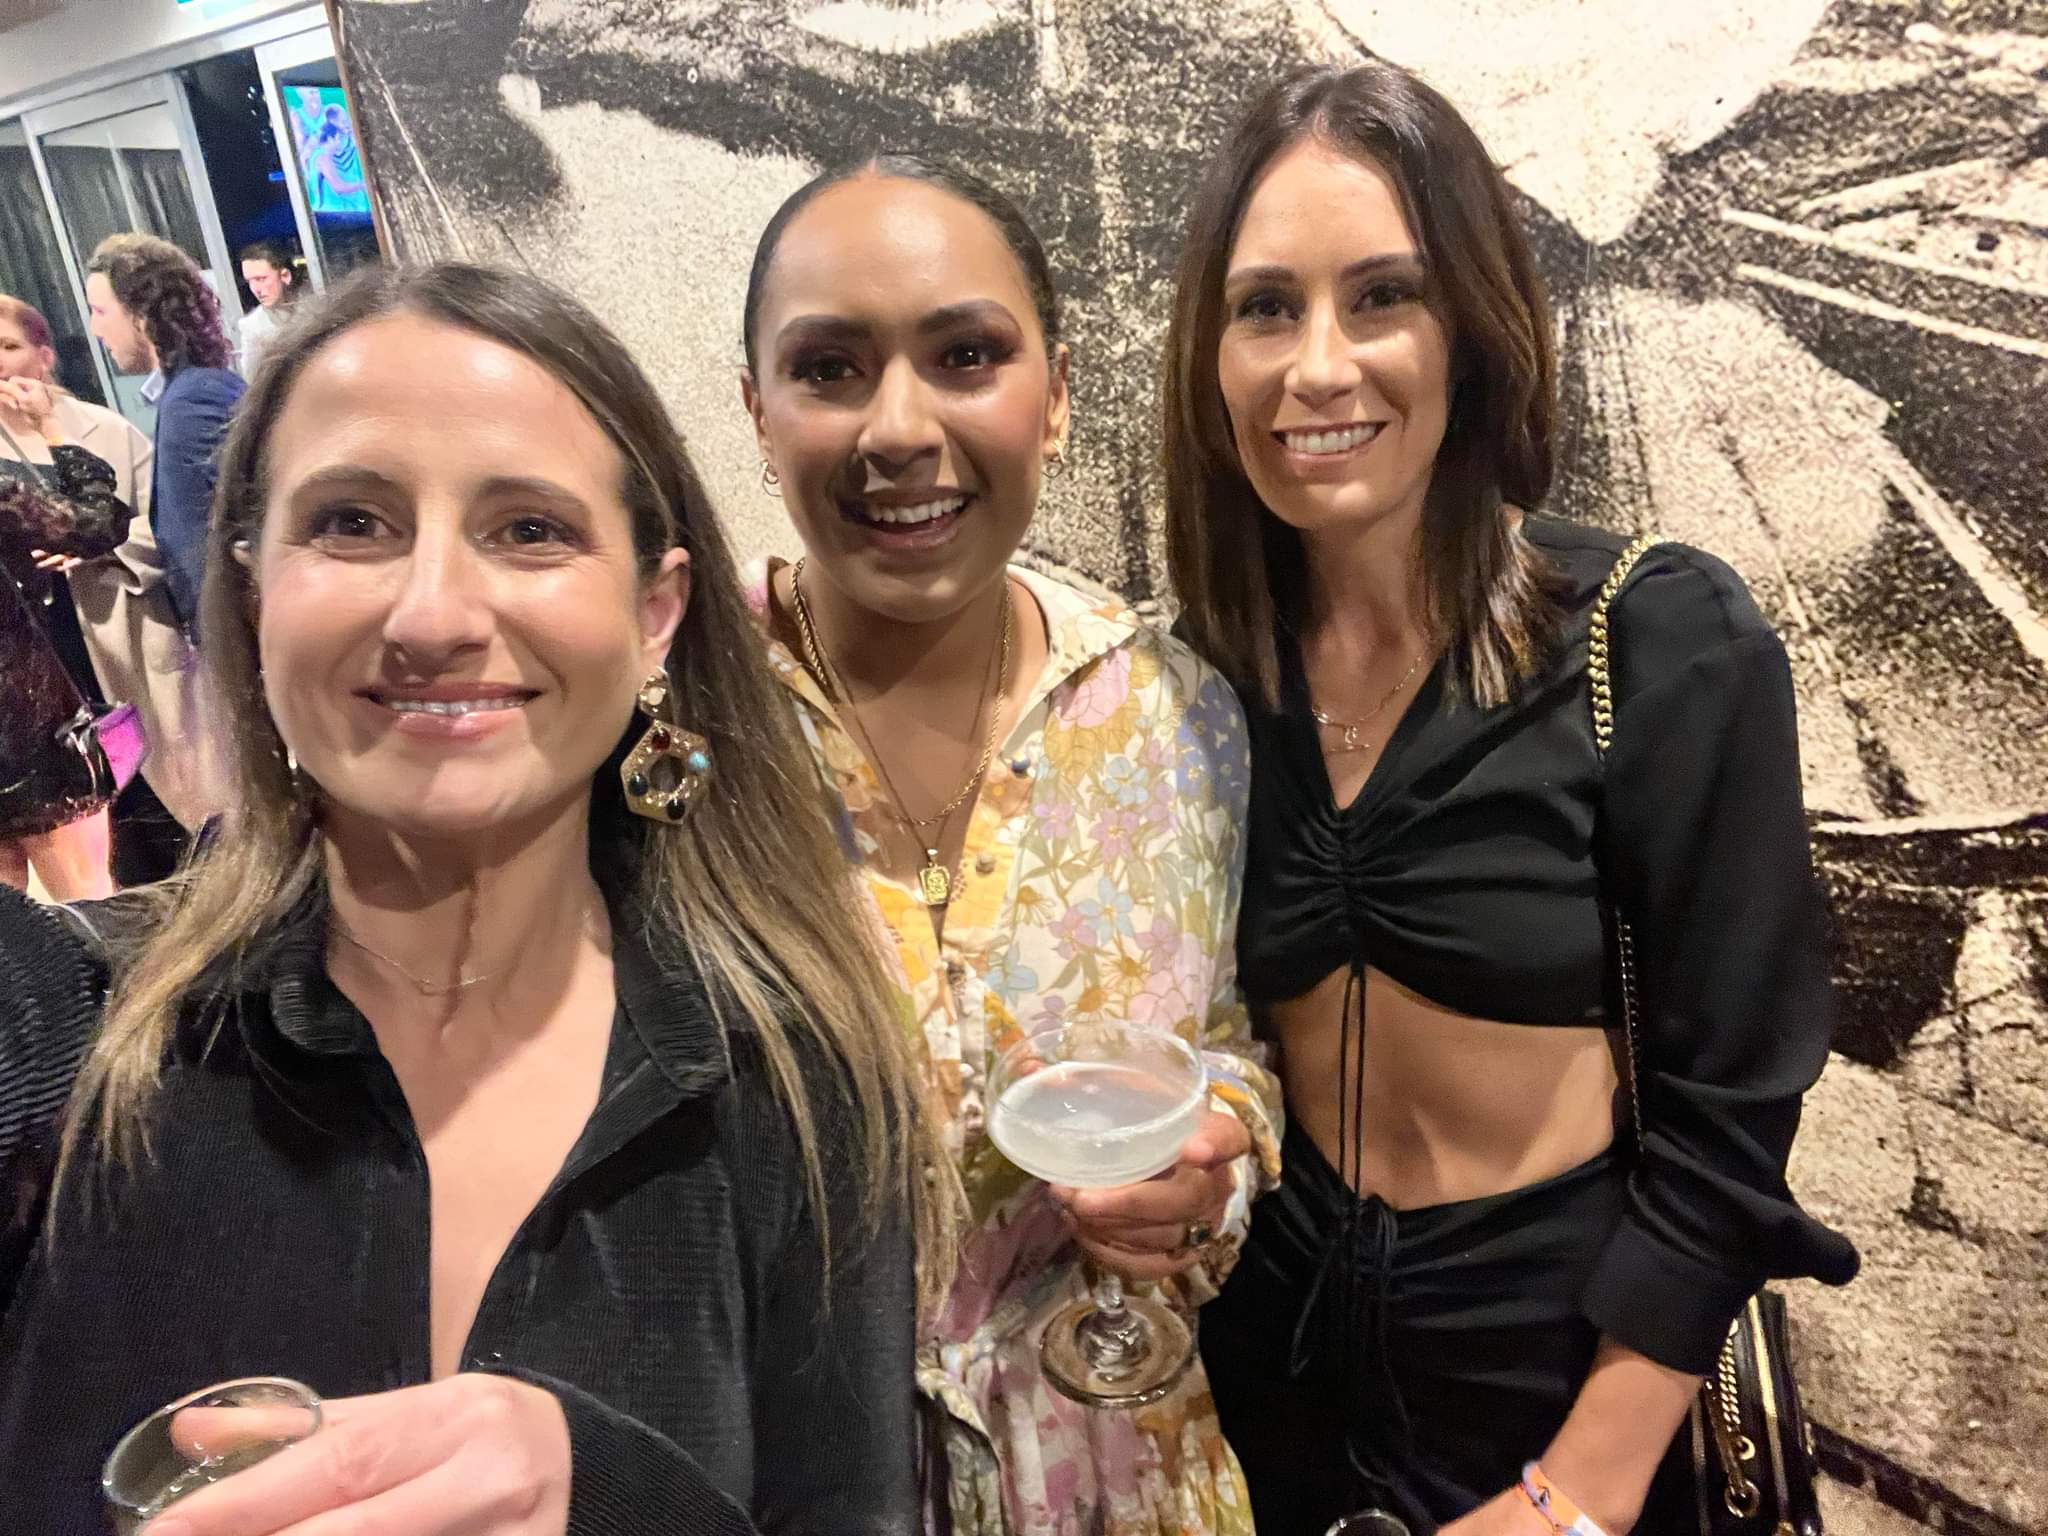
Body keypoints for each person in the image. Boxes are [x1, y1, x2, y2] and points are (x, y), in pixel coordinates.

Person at [0, 262, 945, 1534]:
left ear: (654, 612)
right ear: (251, 587)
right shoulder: (73, 1025)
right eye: (351, 522)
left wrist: (610, 1495)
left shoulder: (795, 1075)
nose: (433, 613)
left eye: (530, 530)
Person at [1164, 65, 1860, 1536]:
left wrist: (1581, 1489)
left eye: (1382, 297)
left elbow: (1732, 1109)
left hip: (1554, 1383)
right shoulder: (1208, 672)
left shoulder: (1656, 638)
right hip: (1267, 1380)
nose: (1318, 366)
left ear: (1471, 328)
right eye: (1266, 307)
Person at [739, 154, 1283, 1536]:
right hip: (800, 1483)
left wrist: (1207, 1175)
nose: (898, 428)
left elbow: (1222, 1043)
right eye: (829, 368)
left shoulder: (1170, 711)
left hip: (1126, 1469)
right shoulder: (680, 729)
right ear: (757, 411)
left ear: (1054, 397)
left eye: (966, 356)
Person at [0, 293, 208, 880]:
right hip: (37, 686)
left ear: (44, 356)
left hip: (119, 639)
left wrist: (100, 554)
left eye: (9, 346)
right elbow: (91, 518)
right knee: (93, 858)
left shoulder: (103, 428)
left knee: (167, 805)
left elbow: (166, 526)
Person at [0, 376, 129, 901]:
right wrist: (49, 423)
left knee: (11, 928)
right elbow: (99, 523)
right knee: (88, 901)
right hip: (29, 728)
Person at [85, 232, 246, 639]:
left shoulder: (194, 398)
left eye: (100, 311)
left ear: (142, 313)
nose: (94, 328)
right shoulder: (191, 392)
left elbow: (230, 541)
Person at [237, 239, 302, 377]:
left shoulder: (316, 307)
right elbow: (252, 378)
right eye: (249, 281)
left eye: (261, 279)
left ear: (285, 276)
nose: (255, 289)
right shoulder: (252, 327)